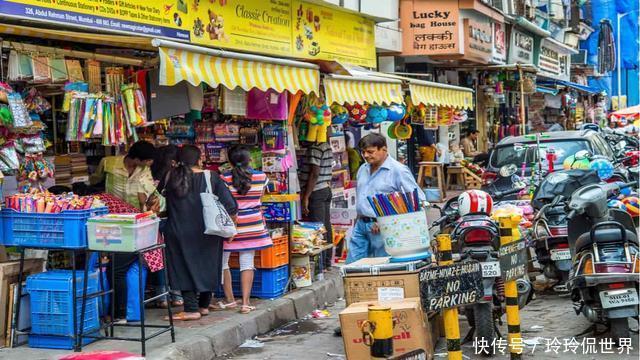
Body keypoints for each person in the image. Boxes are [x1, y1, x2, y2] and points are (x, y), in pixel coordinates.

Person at [163, 145, 238, 321]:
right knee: (209, 264)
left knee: (182, 266)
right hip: (209, 230)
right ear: (199, 160)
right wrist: (232, 227)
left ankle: (191, 308)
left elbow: (156, 199)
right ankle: (203, 305)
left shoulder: (170, 176)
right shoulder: (211, 177)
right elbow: (231, 206)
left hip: (178, 230)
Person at [89, 140, 157, 322]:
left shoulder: (145, 171)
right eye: (147, 160)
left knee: (120, 267)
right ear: (138, 158)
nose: (149, 164)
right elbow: (94, 179)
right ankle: (120, 312)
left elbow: (151, 194)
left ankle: (118, 312)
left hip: (135, 222)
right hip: (111, 219)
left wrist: (148, 206)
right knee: (117, 266)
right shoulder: (108, 162)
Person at [348, 133, 426, 264]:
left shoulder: (398, 170)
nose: (366, 155)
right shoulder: (363, 169)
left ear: (384, 149)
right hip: (361, 225)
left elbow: (416, 200)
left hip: (385, 228)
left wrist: (385, 221)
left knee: (382, 266)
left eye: (370, 152)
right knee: (352, 266)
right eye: (363, 152)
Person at [217, 146, 271, 314]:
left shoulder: (223, 178)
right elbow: (260, 199)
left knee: (223, 262)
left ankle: (230, 299)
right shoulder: (261, 177)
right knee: (247, 263)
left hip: (230, 224)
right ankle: (246, 303)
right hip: (253, 224)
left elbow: (221, 202)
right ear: (249, 160)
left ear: (230, 161)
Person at [149, 145, 183, 309]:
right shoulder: (174, 176)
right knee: (173, 259)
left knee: (158, 260)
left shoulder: (151, 176)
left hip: (154, 221)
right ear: (173, 161)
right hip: (171, 220)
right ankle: (176, 296)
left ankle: (161, 297)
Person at [299, 136, 334, 269]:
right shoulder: (325, 145)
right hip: (325, 188)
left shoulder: (315, 148)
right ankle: (326, 263)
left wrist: (306, 197)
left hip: (316, 191)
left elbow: (314, 173)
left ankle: (321, 265)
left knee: (318, 228)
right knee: (325, 226)